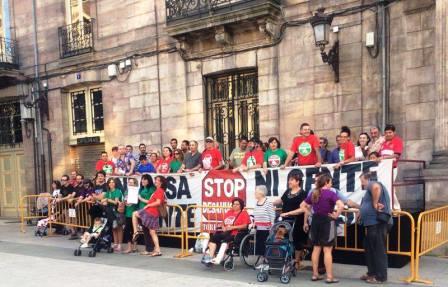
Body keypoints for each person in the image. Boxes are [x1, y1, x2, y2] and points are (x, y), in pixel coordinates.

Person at [301, 174, 344, 283]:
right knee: (327, 250)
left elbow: (302, 205)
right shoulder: (331, 193)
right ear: (326, 182)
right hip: (327, 222)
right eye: (330, 182)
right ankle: (330, 277)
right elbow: (341, 205)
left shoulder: (314, 193)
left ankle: (315, 274)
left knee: (316, 248)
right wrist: (336, 215)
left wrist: (309, 214)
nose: (331, 184)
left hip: (315, 221)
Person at [359, 172, 392, 284]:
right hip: (372, 224)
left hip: (377, 223)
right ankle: (372, 273)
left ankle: (380, 277)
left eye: (362, 181)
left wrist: (375, 203)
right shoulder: (370, 188)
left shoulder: (373, 183)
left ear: (367, 179)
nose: (361, 184)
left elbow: (376, 188)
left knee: (378, 250)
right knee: (370, 248)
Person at [275, 173, 309, 270]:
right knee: (283, 239)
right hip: (286, 220)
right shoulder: (287, 191)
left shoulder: (303, 193)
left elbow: (304, 209)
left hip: (298, 220)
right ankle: (284, 259)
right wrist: (268, 202)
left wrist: (305, 222)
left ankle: (297, 262)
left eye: (291, 180)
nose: (289, 182)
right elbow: (280, 201)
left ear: (298, 182)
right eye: (289, 180)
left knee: (298, 242)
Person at [202, 198, 251, 264]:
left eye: (237, 204)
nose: (235, 205)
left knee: (226, 240)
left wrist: (232, 227)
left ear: (241, 205)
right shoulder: (229, 212)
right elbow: (223, 222)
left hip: (236, 233)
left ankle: (218, 259)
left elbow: (245, 226)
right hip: (225, 232)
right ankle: (211, 257)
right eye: (234, 204)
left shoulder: (244, 213)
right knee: (213, 238)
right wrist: (223, 227)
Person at [133, 176, 167, 257]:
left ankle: (135, 232)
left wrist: (148, 205)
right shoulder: (159, 191)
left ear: (161, 182)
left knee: (134, 214)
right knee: (152, 232)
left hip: (151, 212)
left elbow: (158, 202)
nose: (155, 181)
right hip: (152, 213)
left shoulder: (159, 190)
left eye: (157, 180)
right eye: (155, 180)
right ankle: (158, 250)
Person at [131, 174, 156, 254]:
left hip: (149, 211)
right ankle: (149, 249)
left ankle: (151, 248)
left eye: (145, 179)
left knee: (150, 231)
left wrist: (141, 198)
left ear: (149, 181)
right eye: (142, 179)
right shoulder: (141, 189)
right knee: (146, 231)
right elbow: (136, 200)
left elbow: (151, 201)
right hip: (141, 210)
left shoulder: (152, 189)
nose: (143, 181)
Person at [101, 178, 124, 253]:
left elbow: (115, 202)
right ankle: (115, 243)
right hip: (110, 211)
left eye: (113, 182)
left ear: (115, 183)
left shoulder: (117, 191)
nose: (111, 184)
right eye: (110, 182)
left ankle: (120, 244)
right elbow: (102, 200)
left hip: (117, 211)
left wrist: (107, 200)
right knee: (113, 228)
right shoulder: (108, 192)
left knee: (119, 228)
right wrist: (105, 200)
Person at [253, 186, 275, 258]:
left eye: (256, 192)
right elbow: (256, 215)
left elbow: (272, 215)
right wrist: (254, 223)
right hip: (258, 228)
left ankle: (267, 261)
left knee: (266, 245)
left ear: (261, 193)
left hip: (266, 228)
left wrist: (271, 227)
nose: (255, 193)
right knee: (260, 245)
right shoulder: (257, 202)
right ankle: (262, 262)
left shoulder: (268, 203)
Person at [123, 178, 139, 254]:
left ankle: (134, 247)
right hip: (127, 213)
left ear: (135, 183)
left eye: (131, 182)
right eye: (129, 182)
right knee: (127, 230)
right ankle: (130, 247)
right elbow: (125, 200)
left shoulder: (136, 191)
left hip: (134, 213)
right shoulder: (126, 191)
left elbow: (136, 201)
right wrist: (125, 202)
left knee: (133, 230)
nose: (130, 183)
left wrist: (131, 202)